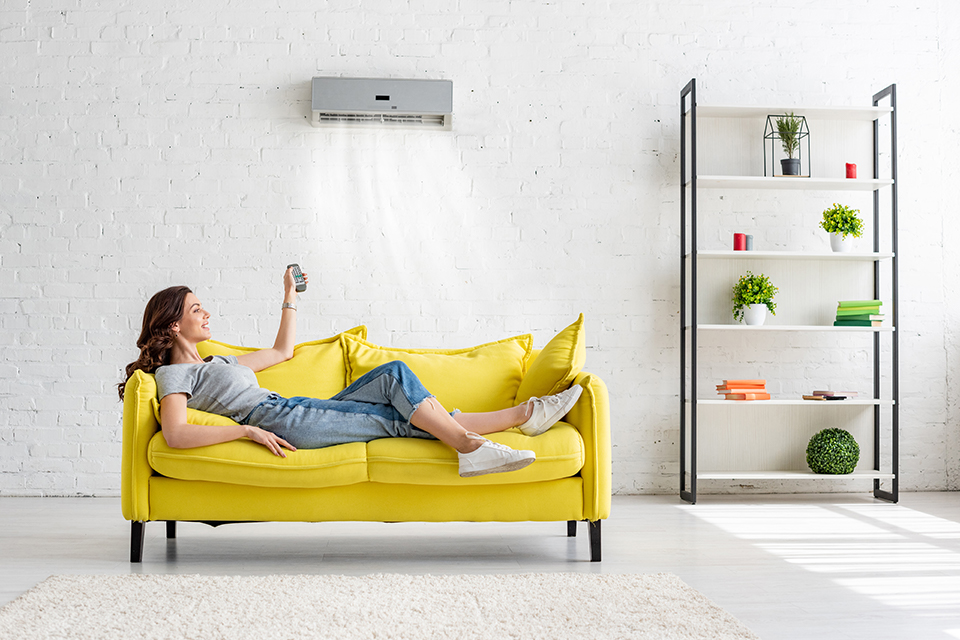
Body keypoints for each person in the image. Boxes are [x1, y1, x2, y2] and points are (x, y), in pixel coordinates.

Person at [118, 268, 582, 478]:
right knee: (398, 419)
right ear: (175, 324)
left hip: (294, 409)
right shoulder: (175, 376)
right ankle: (506, 425)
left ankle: (517, 419)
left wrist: (289, 295)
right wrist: (245, 433)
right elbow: (176, 434)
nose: (208, 313)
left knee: (392, 378)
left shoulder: (219, 364)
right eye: (197, 309)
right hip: (279, 420)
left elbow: (282, 351)